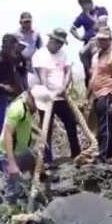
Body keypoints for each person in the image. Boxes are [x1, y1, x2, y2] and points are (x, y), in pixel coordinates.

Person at [0, 85, 52, 205]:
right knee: (14, 189)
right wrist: (12, 163)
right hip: (7, 153)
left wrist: (39, 132)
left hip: (21, 150)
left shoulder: (27, 107)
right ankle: (10, 210)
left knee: (38, 163)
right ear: (31, 98)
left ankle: (36, 191)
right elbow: (8, 135)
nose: (37, 109)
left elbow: (25, 123)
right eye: (37, 105)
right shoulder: (17, 109)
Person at [32, 28, 81, 163]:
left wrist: (64, 87)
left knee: (71, 123)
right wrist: (50, 91)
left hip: (61, 97)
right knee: (46, 129)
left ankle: (77, 155)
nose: (59, 45)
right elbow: (42, 75)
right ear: (51, 39)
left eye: (61, 43)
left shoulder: (63, 54)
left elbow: (68, 71)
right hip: (46, 97)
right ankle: (47, 161)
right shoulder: (40, 54)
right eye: (57, 42)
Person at [88, 27, 112, 162]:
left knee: (105, 126)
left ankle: (103, 155)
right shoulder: (96, 56)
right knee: (103, 125)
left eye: (104, 39)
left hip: (107, 94)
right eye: (99, 39)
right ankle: (109, 153)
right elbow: (93, 78)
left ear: (109, 40)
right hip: (97, 95)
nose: (101, 42)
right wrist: (88, 96)